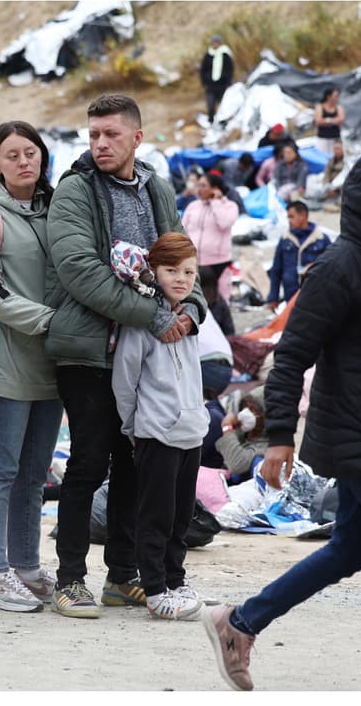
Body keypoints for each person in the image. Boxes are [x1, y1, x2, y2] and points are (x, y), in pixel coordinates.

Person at [204, 148, 361, 692]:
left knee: (350, 548)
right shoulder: (339, 269)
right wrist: (277, 440)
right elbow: (291, 355)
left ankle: (239, 623)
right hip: (358, 432)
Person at [44, 93, 208, 619]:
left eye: (111, 135)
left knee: (134, 465)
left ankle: (122, 574)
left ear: (136, 137)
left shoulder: (157, 188)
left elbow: (181, 259)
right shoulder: (74, 189)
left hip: (147, 355)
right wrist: (157, 318)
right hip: (89, 350)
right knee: (89, 462)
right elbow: (80, 271)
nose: (100, 144)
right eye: (93, 135)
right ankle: (70, 580)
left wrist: (194, 311)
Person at [0, 121, 64, 613]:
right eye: (13, 155)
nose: (25, 161)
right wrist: (52, 322)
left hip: (55, 362)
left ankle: (26, 565)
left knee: (36, 471)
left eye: (32, 152)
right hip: (9, 361)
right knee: (1, 468)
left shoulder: (57, 208)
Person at [110, 233, 209, 621]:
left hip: (191, 433)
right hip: (156, 434)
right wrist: (134, 427)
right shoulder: (142, 324)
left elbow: (195, 378)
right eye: (171, 271)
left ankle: (175, 579)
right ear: (154, 272)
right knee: (156, 515)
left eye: (189, 271)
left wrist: (198, 417)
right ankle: (153, 590)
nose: (181, 279)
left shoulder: (190, 319)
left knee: (182, 515)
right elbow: (125, 380)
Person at [182, 172, 238, 306]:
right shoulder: (193, 206)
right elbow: (182, 230)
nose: (199, 189)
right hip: (194, 261)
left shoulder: (229, 206)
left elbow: (224, 223)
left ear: (215, 188)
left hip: (218, 262)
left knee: (219, 301)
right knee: (194, 299)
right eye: (198, 185)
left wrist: (216, 202)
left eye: (203, 186)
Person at [265, 200, 331, 310]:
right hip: (291, 296)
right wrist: (273, 297)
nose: (289, 221)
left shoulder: (321, 239)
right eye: (288, 217)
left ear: (303, 215)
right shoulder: (285, 240)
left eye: (292, 217)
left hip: (314, 296)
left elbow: (331, 269)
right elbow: (276, 270)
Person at [215, 386, 267, 481]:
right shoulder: (244, 432)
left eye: (252, 409)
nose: (245, 412)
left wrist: (227, 429)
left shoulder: (268, 445)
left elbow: (236, 464)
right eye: (245, 406)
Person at [199, 34, 235, 122]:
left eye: (216, 43)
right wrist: (204, 81)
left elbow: (230, 69)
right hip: (211, 86)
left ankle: (223, 121)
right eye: (213, 43)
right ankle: (211, 121)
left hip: (222, 85)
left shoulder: (225, 55)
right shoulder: (208, 55)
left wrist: (228, 82)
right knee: (210, 105)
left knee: (223, 105)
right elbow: (203, 69)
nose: (214, 44)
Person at [313, 87, 345, 156]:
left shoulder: (338, 107)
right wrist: (333, 121)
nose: (337, 98)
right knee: (321, 157)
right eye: (335, 96)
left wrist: (327, 121)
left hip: (335, 139)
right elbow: (318, 121)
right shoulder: (320, 107)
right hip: (322, 139)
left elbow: (341, 119)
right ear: (329, 97)